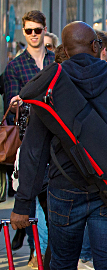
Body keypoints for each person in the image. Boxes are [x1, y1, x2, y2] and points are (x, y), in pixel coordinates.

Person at [9, 21, 107, 270]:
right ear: (97, 46)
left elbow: (34, 150)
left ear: (63, 49)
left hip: (64, 188)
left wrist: (23, 203)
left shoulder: (50, 88)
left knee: (62, 263)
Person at [3, 10, 55, 268]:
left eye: (37, 30)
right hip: (28, 143)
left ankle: (48, 253)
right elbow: (12, 104)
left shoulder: (55, 61)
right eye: (29, 31)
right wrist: (21, 102)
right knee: (31, 200)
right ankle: (38, 252)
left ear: (45, 29)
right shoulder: (15, 66)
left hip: (57, 141)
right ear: (24, 33)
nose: (33, 35)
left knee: (53, 201)